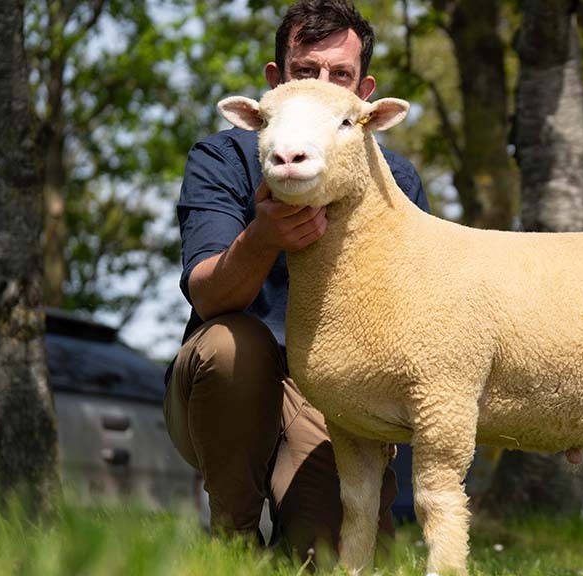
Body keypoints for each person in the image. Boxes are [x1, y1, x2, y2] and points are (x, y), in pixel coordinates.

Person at [163, 0, 429, 561]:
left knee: (328, 556)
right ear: (274, 79)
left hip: (333, 392)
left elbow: (415, 321)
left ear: (365, 93)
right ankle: (231, 543)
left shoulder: (395, 179)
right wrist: (263, 237)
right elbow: (209, 295)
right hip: (227, 389)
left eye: (340, 76)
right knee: (234, 344)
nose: (320, 86)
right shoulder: (223, 156)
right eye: (305, 71)